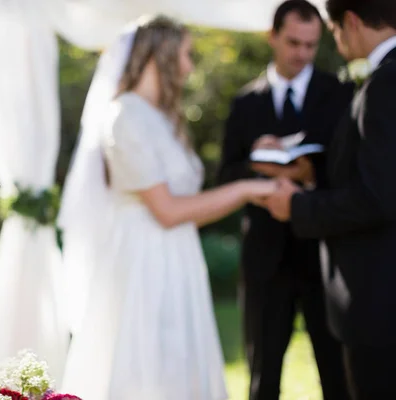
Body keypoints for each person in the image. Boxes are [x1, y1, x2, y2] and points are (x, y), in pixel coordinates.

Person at [59, 16, 276, 400]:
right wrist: (245, 189)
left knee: (180, 367)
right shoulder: (125, 116)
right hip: (144, 261)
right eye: (186, 55)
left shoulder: (161, 118)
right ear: (160, 55)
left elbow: (186, 207)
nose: (191, 66)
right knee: (149, 370)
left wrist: (258, 164)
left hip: (177, 254)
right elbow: (169, 210)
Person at [217, 1, 353, 399]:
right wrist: (259, 164)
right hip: (265, 259)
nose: (302, 53)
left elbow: (351, 174)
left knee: (336, 374)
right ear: (272, 36)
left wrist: (309, 174)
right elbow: (225, 175)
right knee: (263, 376)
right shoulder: (246, 102)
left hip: (324, 257)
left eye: (311, 45)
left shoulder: (340, 93)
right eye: (293, 42)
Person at [265, 0, 396, 397]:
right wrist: (314, 170)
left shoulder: (386, 84)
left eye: (334, 30)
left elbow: (378, 197)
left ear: (351, 22)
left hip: (379, 304)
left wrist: (298, 206)